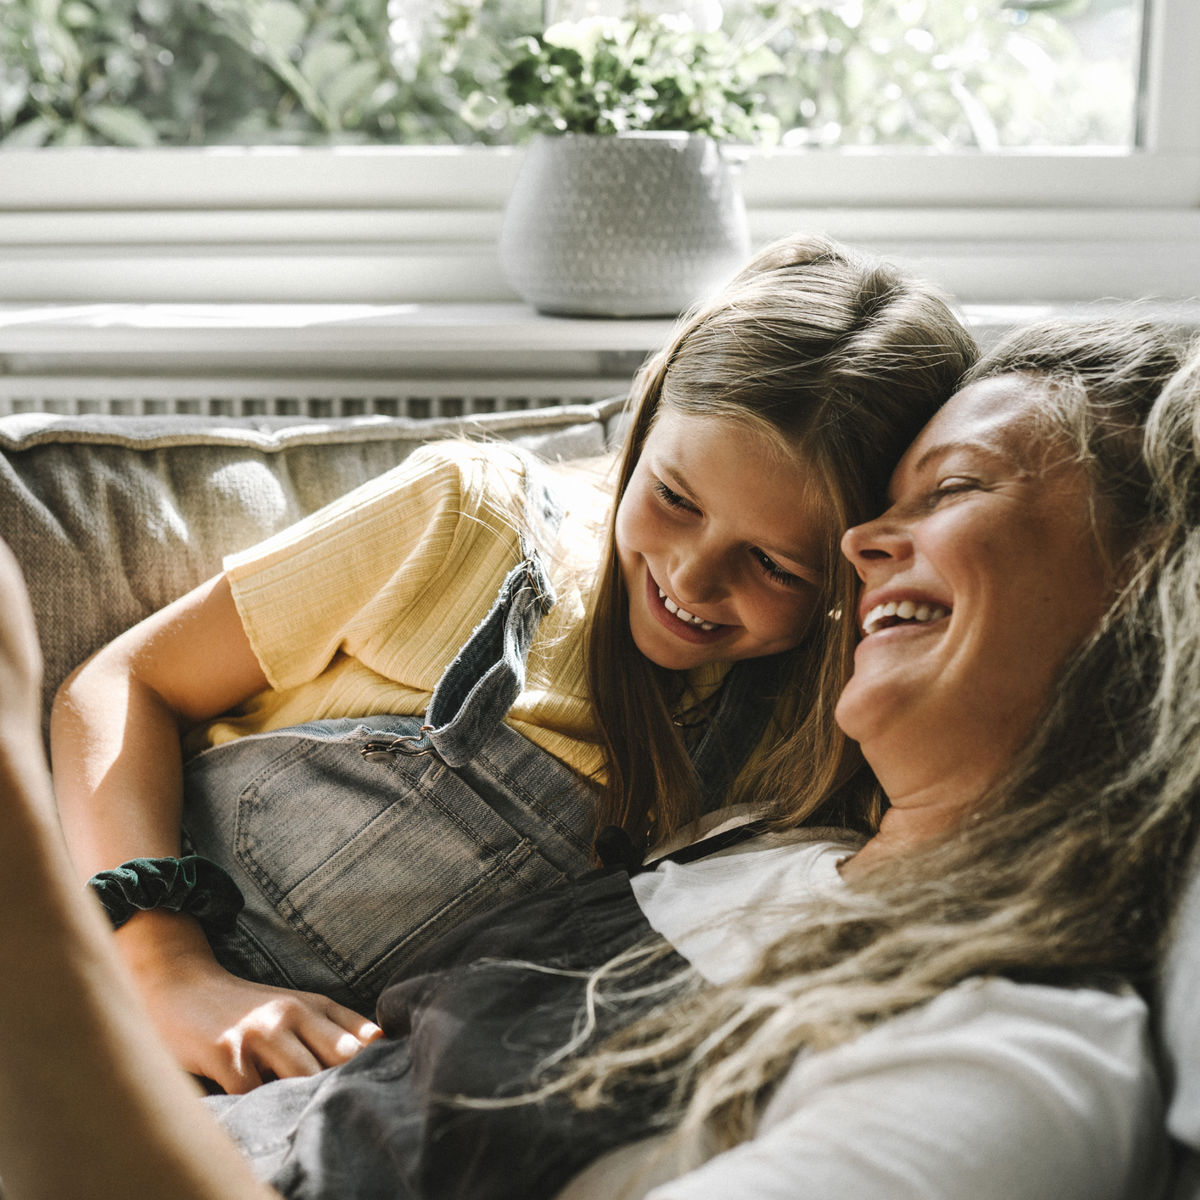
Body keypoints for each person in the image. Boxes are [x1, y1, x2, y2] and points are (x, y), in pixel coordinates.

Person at [2, 313, 1196, 1200]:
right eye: (884, 511)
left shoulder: (1013, 1056)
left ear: (1156, 579)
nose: (870, 548)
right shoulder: (764, 837)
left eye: (959, 490)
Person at [46, 233, 977, 1093]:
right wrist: (168, 970)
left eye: (774, 563)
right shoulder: (465, 521)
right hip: (100, 983)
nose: (693, 576)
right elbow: (120, 685)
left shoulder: (814, 728)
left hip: (322, 1107)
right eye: (674, 497)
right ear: (645, 421)